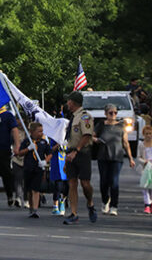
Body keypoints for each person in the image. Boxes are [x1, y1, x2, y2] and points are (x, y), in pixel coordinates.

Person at [63, 91, 97, 225]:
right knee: (72, 183)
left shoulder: (84, 117)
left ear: (72, 102)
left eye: (68, 101)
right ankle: (74, 213)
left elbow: (87, 135)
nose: (67, 104)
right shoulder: (73, 117)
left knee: (85, 183)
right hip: (70, 151)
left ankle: (90, 203)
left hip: (82, 152)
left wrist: (76, 151)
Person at [95, 104, 135, 216]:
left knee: (114, 181)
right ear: (105, 113)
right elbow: (92, 136)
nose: (113, 115)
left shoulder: (121, 126)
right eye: (110, 113)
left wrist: (131, 158)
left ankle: (114, 206)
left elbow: (125, 143)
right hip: (103, 156)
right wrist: (96, 139)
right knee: (104, 181)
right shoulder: (101, 125)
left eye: (115, 113)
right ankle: (105, 200)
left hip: (117, 157)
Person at [17, 122, 52, 218]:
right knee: (29, 190)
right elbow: (20, 153)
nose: (41, 133)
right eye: (39, 131)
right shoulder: (26, 141)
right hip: (28, 168)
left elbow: (49, 153)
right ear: (32, 132)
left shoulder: (44, 142)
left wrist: (45, 161)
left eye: (42, 131)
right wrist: (28, 149)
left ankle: (35, 210)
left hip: (38, 168)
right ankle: (31, 207)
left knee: (36, 189)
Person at [137, 126, 152, 214]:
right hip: (145, 168)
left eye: (150, 133)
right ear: (143, 135)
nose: (148, 135)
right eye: (146, 134)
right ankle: (147, 204)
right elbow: (138, 157)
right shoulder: (141, 144)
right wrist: (144, 162)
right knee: (145, 186)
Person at [49, 137, 68, 216]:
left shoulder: (68, 138)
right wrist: (58, 145)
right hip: (57, 165)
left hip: (67, 164)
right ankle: (55, 206)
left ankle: (62, 200)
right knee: (58, 186)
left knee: (67, 187)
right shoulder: (54, 137)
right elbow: (50, 150)